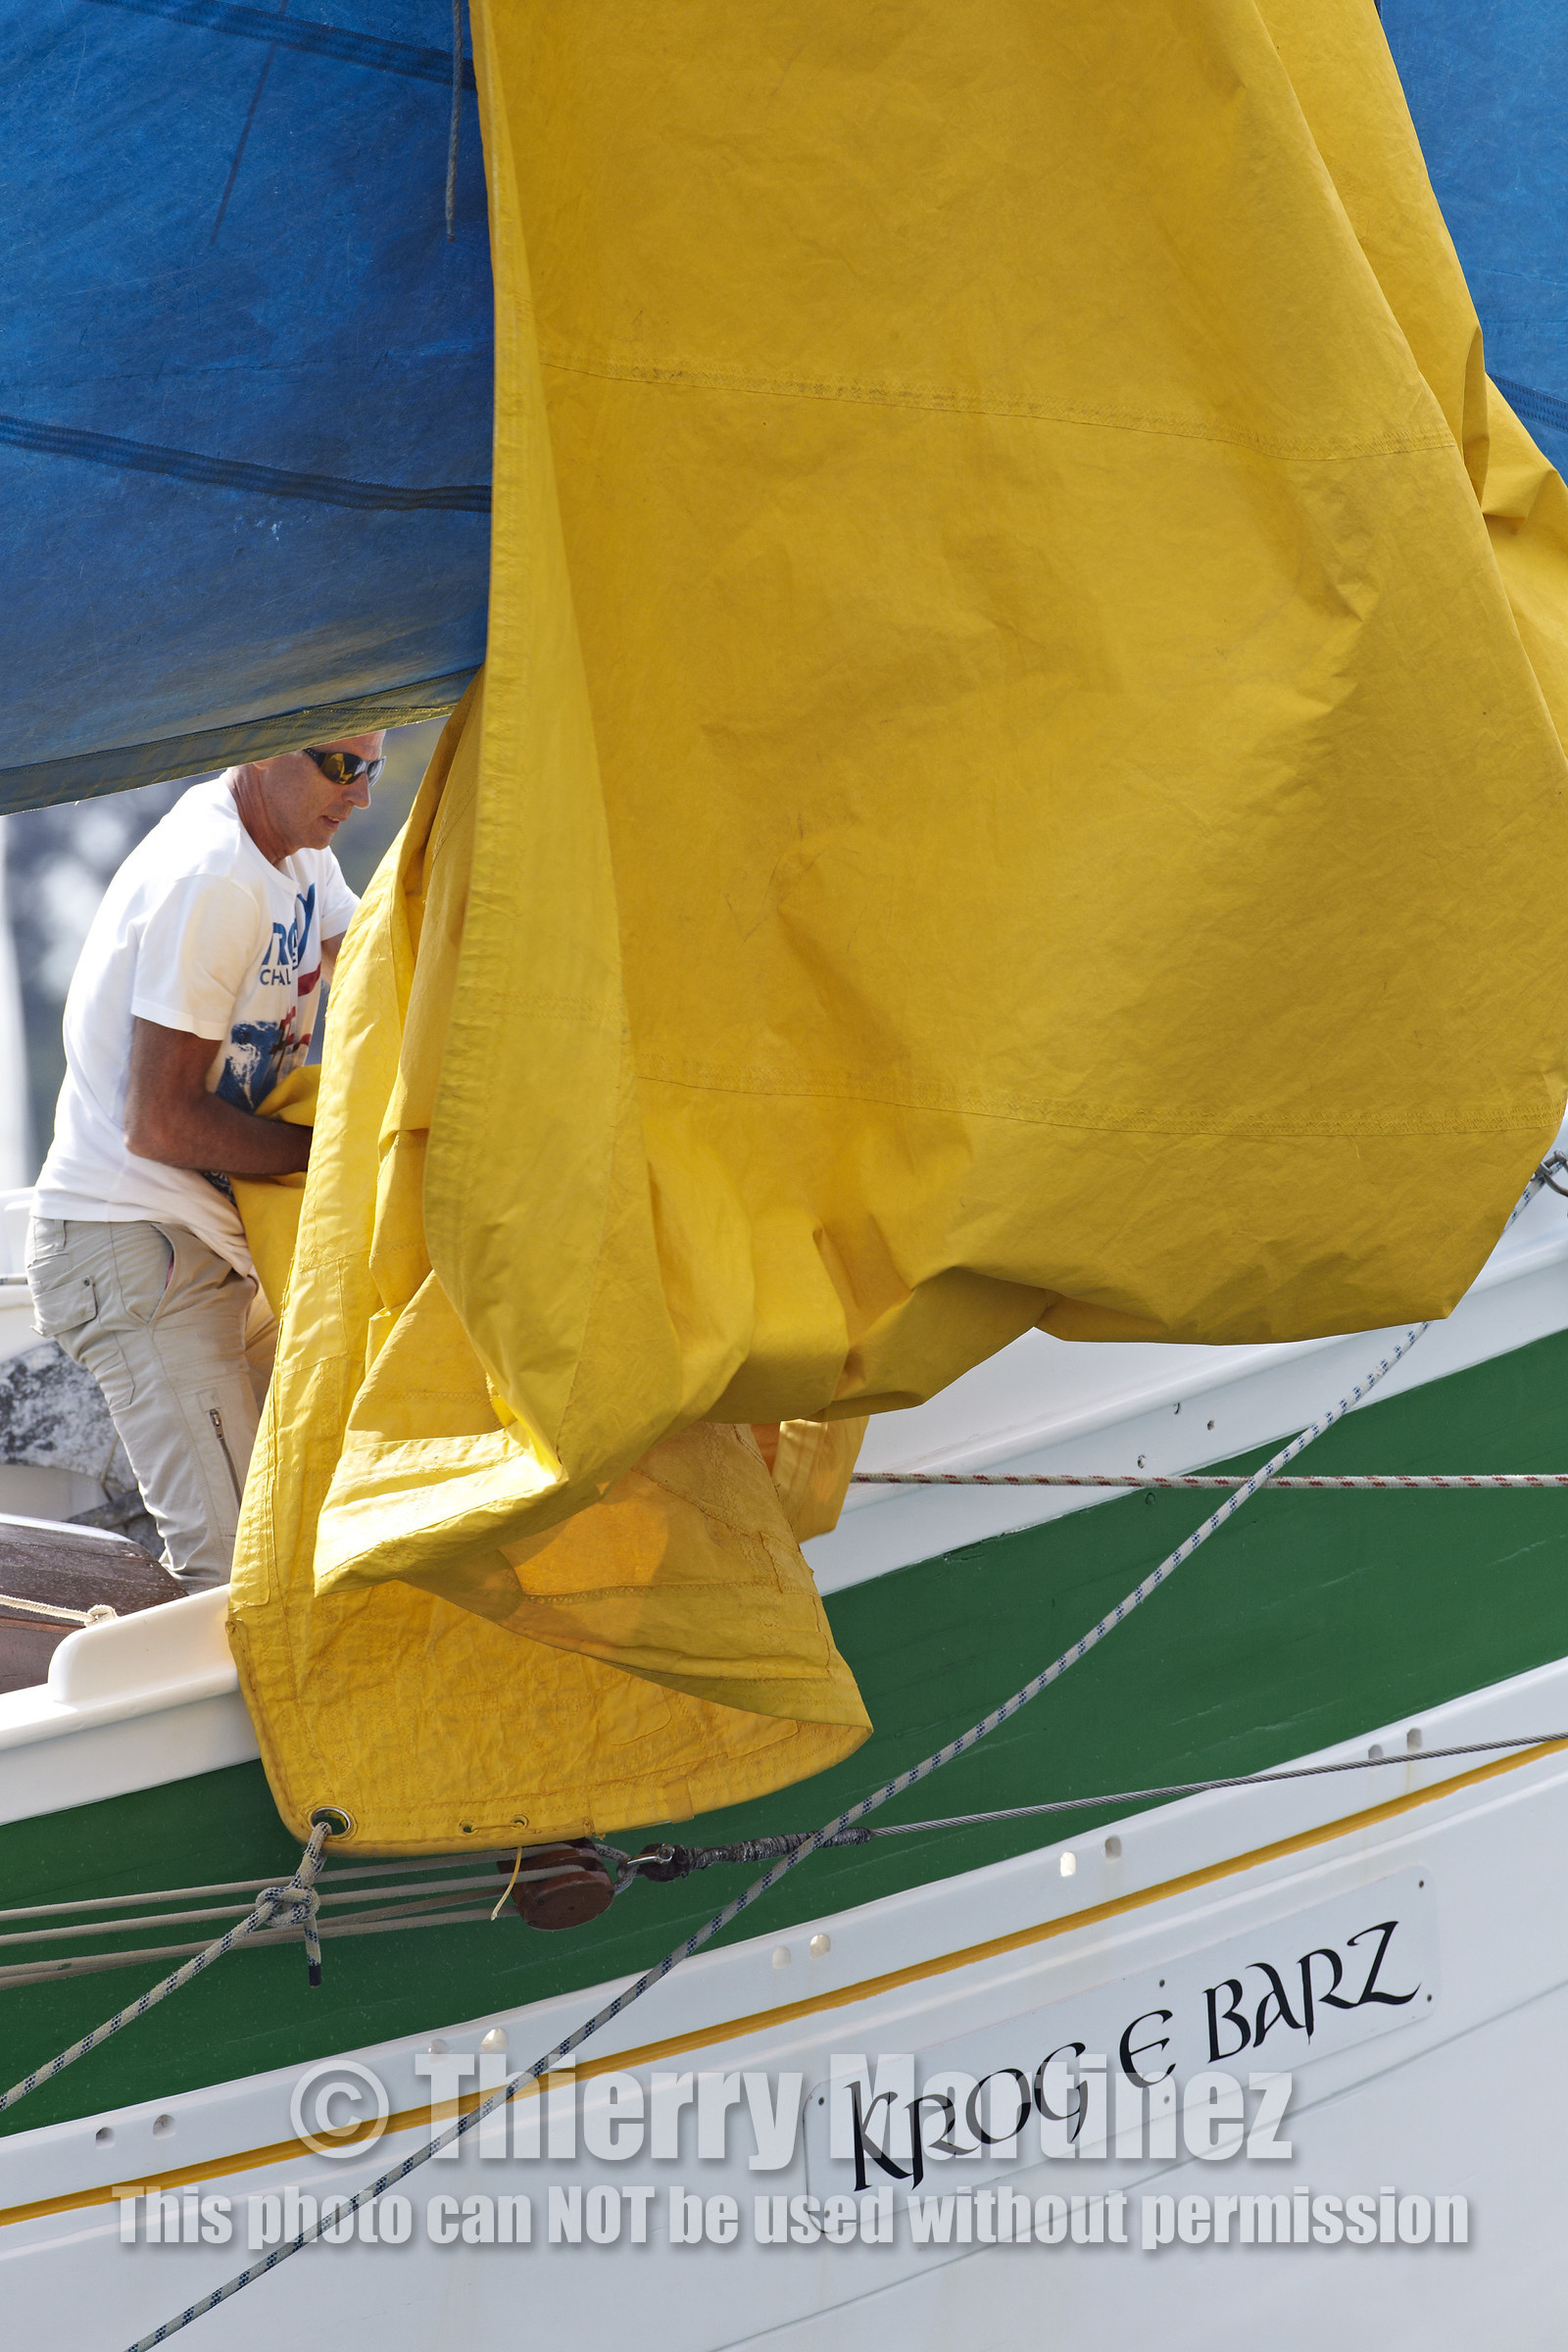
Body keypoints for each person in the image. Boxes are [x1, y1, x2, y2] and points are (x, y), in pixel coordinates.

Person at [24, 737, 382, 1591]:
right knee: (238, 1578)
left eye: (373, 766)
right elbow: (158, 1122)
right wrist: (327, 1151)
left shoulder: (301, 862)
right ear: (265, 746)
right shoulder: (215, 878)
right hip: (133, 1243)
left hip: (202, 1242)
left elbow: (385, 978)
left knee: (308, 1522)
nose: (361, 795)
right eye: (342, 766)